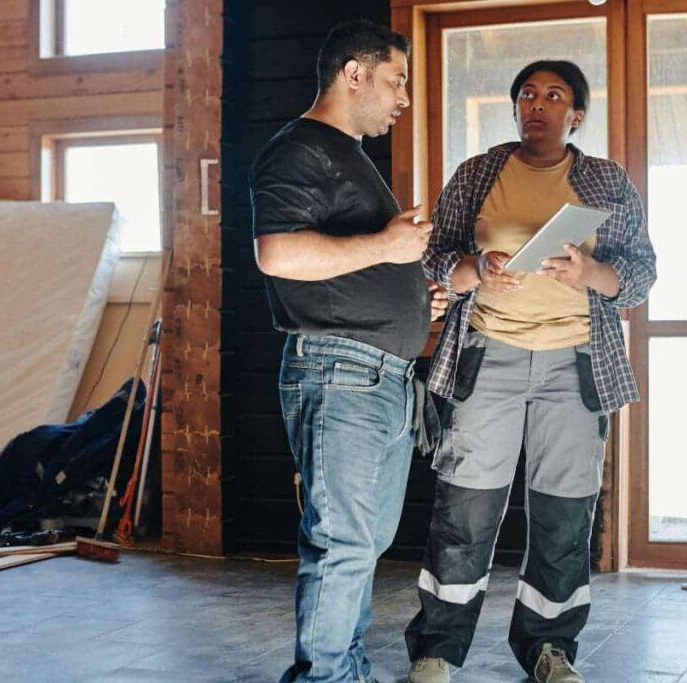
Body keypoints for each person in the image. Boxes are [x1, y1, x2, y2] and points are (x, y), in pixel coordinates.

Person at [404, 60, 657, 683]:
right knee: (465, 510)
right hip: (488, 358)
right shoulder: (478, 173)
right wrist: (476, 268)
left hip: (575, 365)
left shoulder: (604, 182)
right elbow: (435, 259)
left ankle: (550, 650)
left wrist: (587, 274)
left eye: (553, 95)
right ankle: (437, 651)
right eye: (526, 94)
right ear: (515, 108)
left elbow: (641, 273)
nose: (536, 105)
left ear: (577, 114)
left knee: (564, 515)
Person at [248, 20, 446, 683]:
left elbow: (349, 263)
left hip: (379, 377)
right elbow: (278, 252)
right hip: (342, 375)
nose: (404, 99)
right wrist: (389, 250)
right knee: (344, 541)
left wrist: (415, 295)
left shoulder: (349, 157)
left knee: (361, 542)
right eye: (396, 81)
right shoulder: (301, 149)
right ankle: (326, 677)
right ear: (353, 73)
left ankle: (345, 670)